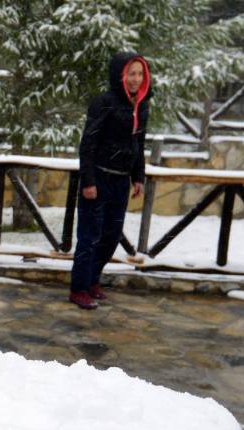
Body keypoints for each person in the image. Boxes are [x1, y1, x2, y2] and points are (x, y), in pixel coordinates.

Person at [69, 52, 151, 310]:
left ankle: (93, 280)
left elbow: (138, 143)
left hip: (120, 182)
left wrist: (138, 176)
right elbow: (88, 143)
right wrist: (88, 181)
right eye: (131, 74)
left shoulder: (141, 105)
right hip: (98, 178)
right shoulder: (104, 102)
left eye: (140, 74)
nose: (136, 79)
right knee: (89, 237)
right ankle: (79, 288)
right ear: (120, 75)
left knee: (111, 237)